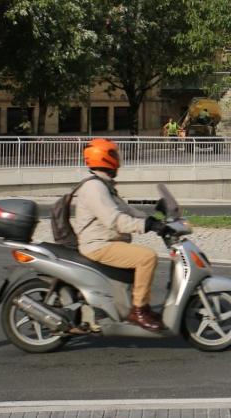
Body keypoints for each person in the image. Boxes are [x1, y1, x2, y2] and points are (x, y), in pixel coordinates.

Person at [70, 138, 170, 332]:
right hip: (98, 245)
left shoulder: (103, 185)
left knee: (139, 258)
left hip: (106, 242)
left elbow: (128, 211)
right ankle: (139, 310)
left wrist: (153, 220)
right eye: (115, 154)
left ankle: (136, 307)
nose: (118, 159)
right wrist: (146, 226)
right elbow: (115, 220)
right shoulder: (95, 188)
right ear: (105, 158)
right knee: (146, 258)